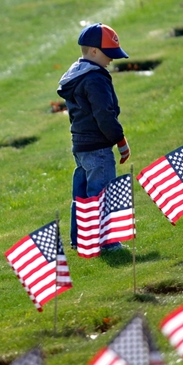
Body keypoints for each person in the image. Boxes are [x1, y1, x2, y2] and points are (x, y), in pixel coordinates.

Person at [58, 23, 132, 250]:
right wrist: (120, 141)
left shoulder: (75, 75)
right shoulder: (95, 79)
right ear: (93, 52)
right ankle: (107, 243)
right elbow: (104, 114)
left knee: (82, 196)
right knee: (102, 194)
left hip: (79, 146)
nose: (111, 60)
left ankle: (80, 240)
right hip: (99, 147)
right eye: (108, 54)